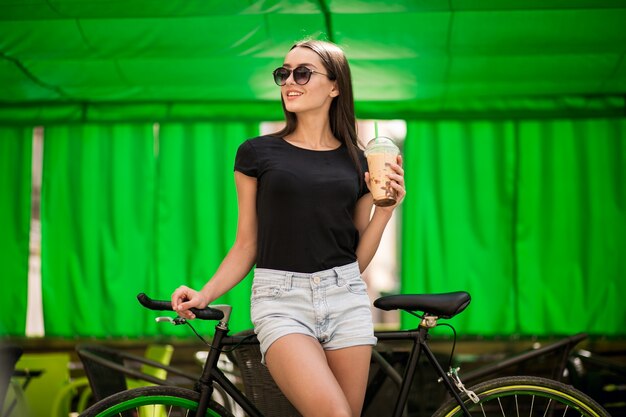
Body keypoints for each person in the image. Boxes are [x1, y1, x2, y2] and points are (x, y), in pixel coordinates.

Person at [171, 39, 405, 417]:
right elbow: (247, 244)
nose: (288, 82)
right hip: (281, 302)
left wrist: (387, 211)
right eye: (283, 73)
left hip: (346, 297)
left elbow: (355, 260)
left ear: (335, 86)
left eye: (302, 72)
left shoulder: (359, 162)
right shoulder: (256, 153)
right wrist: (205, 293)